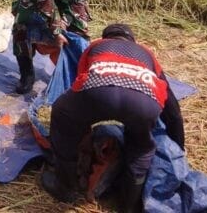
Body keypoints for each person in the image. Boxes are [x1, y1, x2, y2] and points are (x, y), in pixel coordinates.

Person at [42, 23, 185, 212]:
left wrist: (81, 127)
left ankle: (66, 186)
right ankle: (129, 204)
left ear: (106, 37)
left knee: (62, 113)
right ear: (132, 41)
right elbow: (172, 110)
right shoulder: (146, 53)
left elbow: (81, 80)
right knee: (141, 146)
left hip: (99, 93)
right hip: (143, 103)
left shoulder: (96, 46)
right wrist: (178, 148)